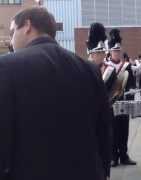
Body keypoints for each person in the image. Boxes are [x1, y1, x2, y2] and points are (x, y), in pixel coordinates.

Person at [0, 7, 112, 180]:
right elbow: (104, 131)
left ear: (28, 26)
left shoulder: (6, 67)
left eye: (13, 31)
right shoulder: (89, 69)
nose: (11, 40)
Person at [86, 22, 117, 179]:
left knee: (104, 149)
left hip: (104, 115)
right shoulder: (82, 68)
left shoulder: (110, 70)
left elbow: (107, 92)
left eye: (100, 52)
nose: (99, 55)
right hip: (87, 117)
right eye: (95, 53)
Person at [105, 29, 137, 167]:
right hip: (111, 104)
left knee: (124, 130)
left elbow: (131, 83)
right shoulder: (107, 67)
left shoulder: (127, 66)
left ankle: (124, 155)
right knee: (112, 131)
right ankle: (113, 157)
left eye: (118, 51)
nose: (117, 53)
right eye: (114, 51)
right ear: (110, 52)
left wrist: (130, 91)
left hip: (124, 102)